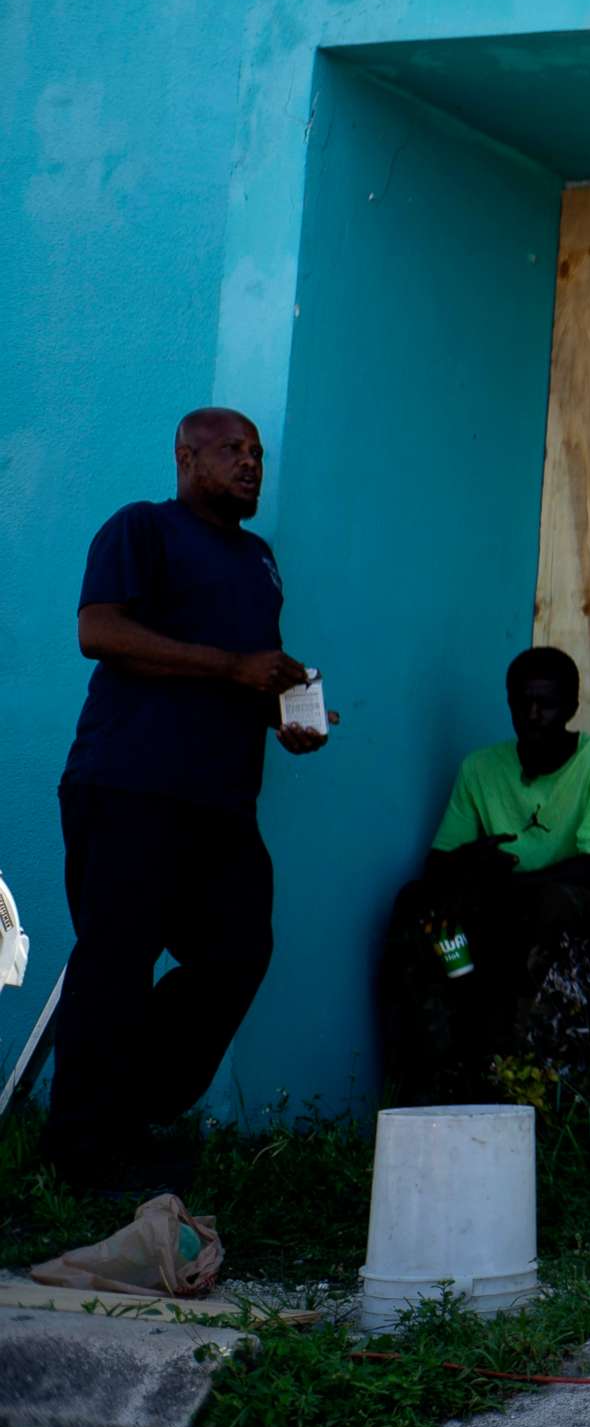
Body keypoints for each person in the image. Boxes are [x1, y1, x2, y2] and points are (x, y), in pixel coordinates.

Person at [44, 408, 336, 1192]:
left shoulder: (260, 561)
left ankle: (126, 1115)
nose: (250, 464)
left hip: (220, 803)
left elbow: (248, 672)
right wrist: (232, 666)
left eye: (257, 453)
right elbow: (99, 631)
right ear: (185, 455)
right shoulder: (141, 528)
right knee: (116, 961)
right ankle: (81, 1153)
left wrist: (289, 713)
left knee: (239, 951)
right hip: (127, 785)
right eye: (232, 450)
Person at [380, 647, 590, 1103]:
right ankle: (435, 1074)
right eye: (522, 702)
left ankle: (514, 1078)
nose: (534, 714)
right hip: (508, 906)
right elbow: (439, 866)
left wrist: (494, 888)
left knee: (547, 906)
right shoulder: (480, 768)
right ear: (508, 703)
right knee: (416, 903)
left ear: (572, 707)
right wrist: (469, 861)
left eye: (547, 703)